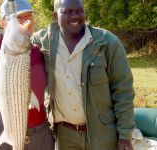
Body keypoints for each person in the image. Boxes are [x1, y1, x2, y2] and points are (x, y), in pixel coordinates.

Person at [32, 0, 135, 149]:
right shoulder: (42, 42)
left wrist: (125, 136)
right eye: (68, 12)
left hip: (103, 135)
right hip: (64, 136)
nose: (75, 16)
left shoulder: (107, 43)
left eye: (79, 11)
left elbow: (123, 91)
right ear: (55, 15)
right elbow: (15, 49)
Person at [0, 0, 54, 149]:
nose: (25, 21)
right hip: (4, 134)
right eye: (18, 18)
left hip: (40, 135)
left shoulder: (39, 50)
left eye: (28, 16)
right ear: (3, 23)